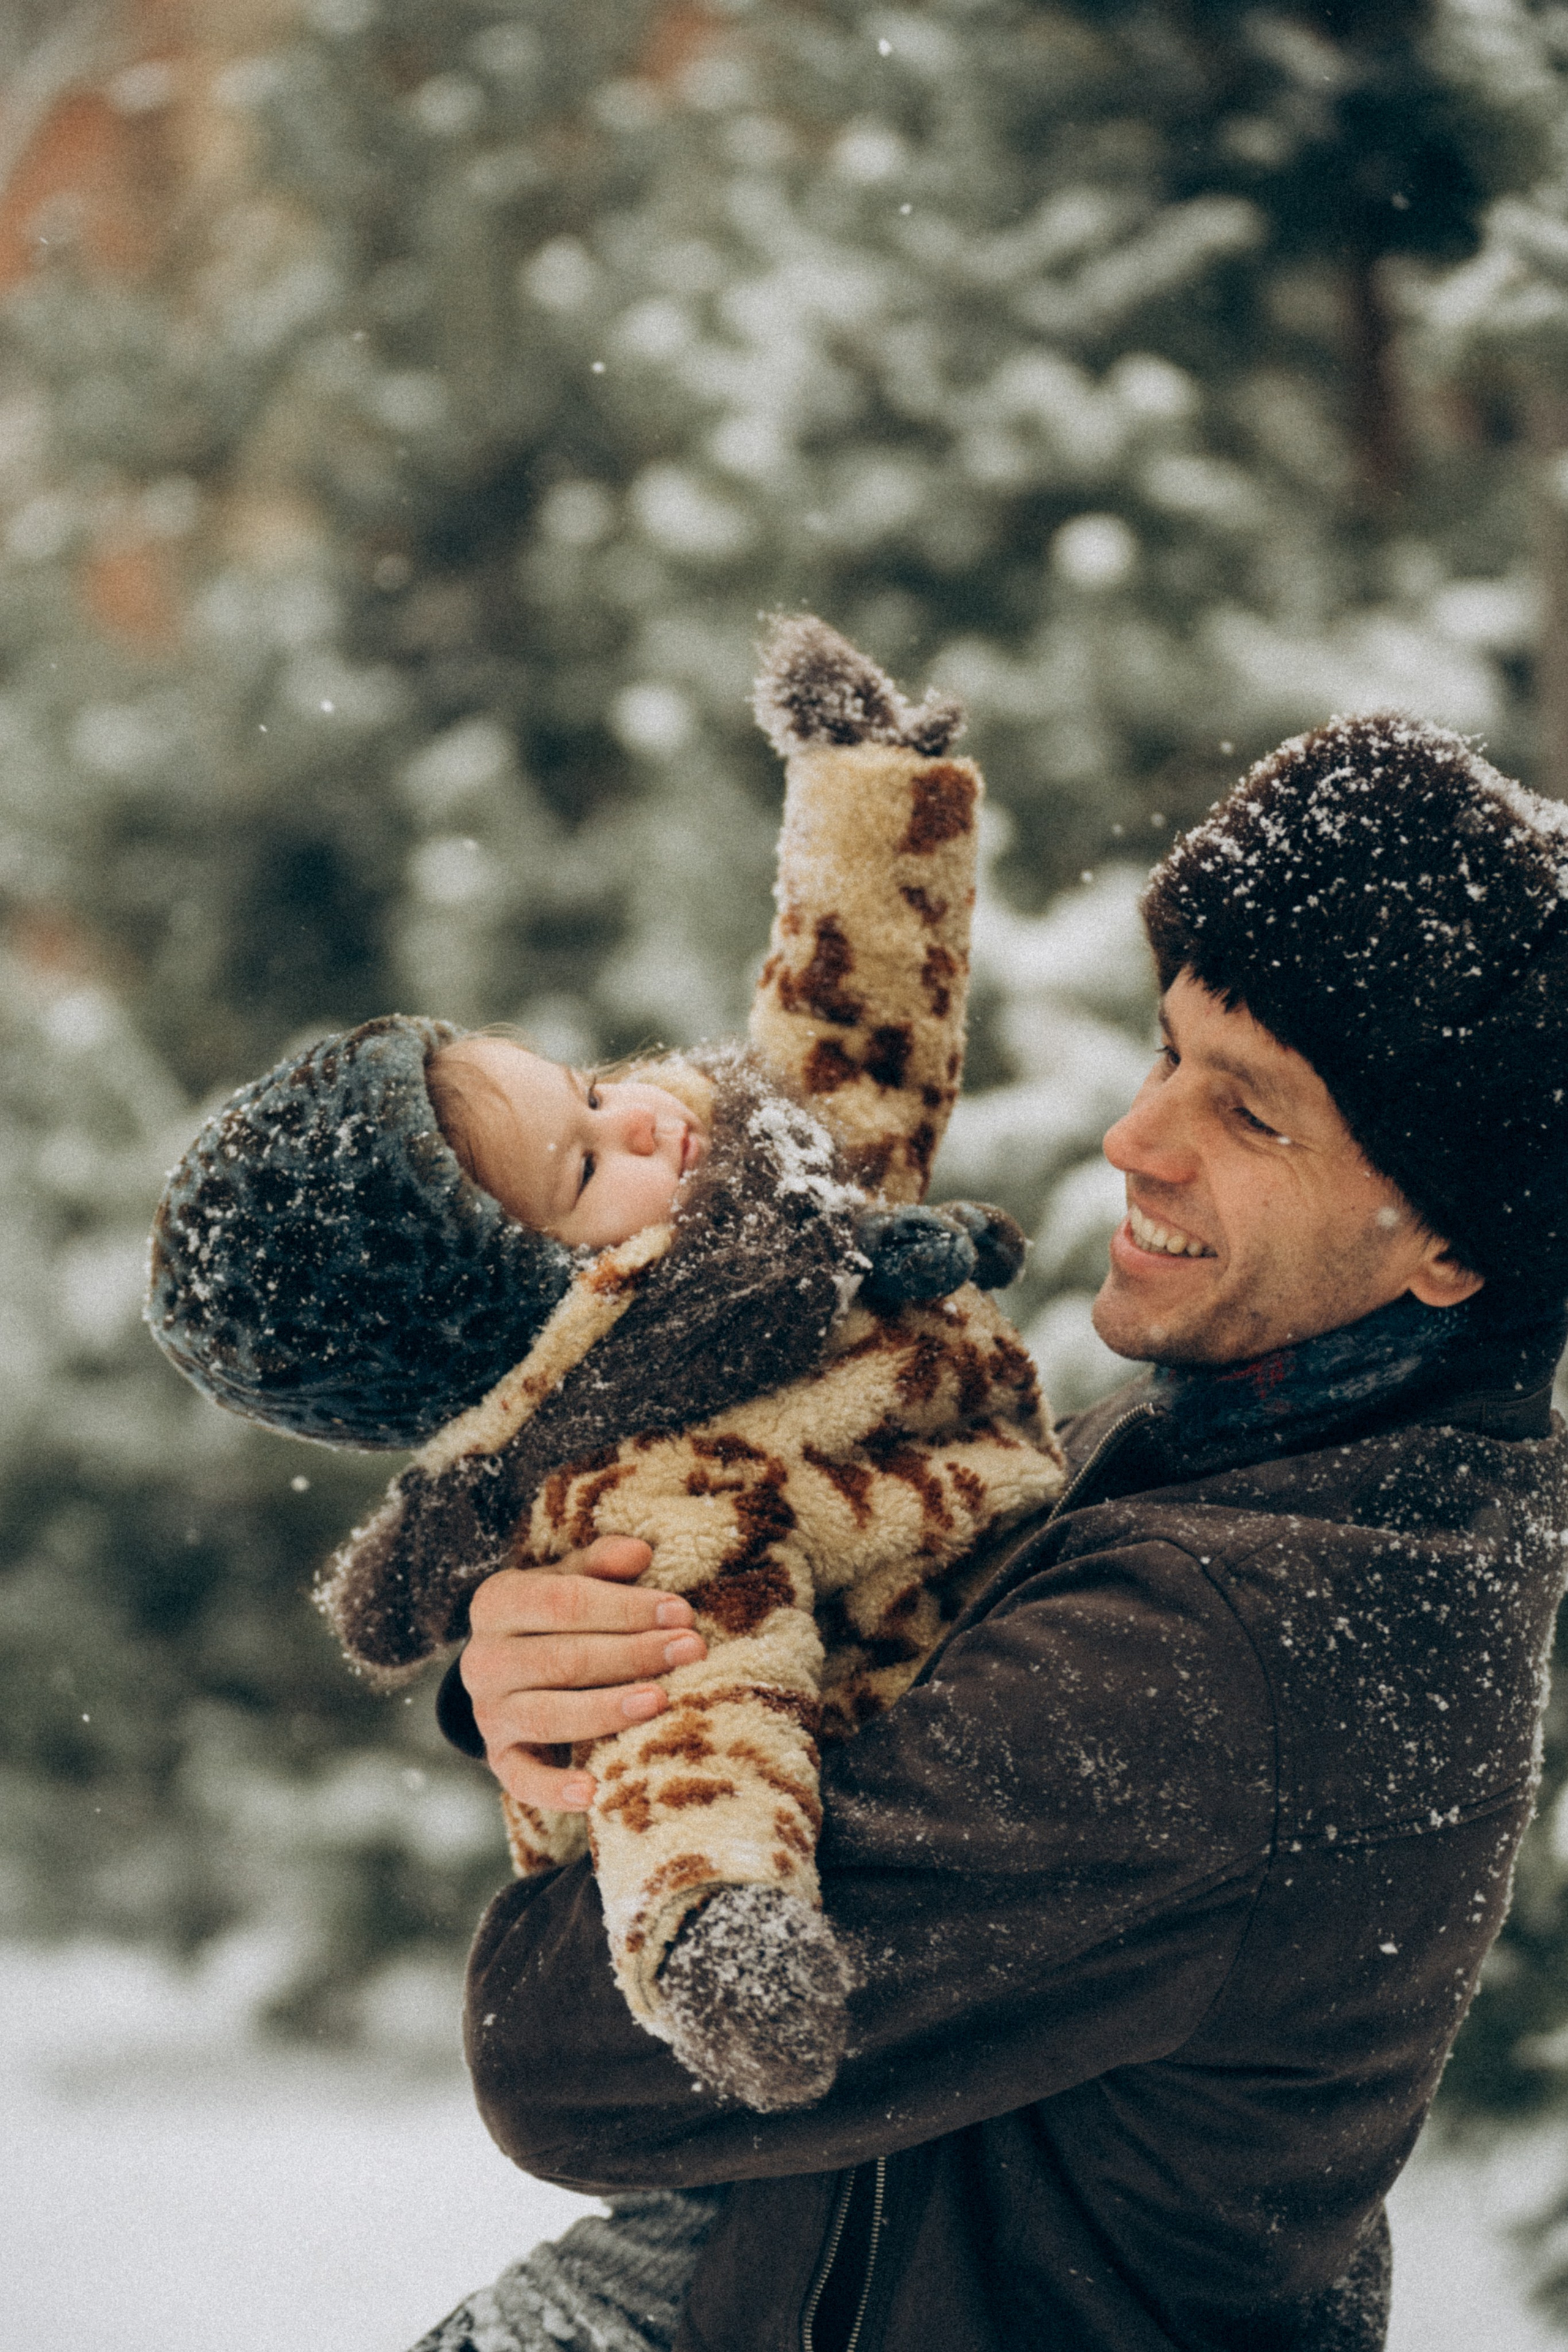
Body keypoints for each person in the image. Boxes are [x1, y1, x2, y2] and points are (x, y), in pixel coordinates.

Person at [433, 713, 1568, 2352]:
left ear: (1455, 1247)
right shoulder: (1276, 1486)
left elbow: (563, 2059)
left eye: (1251, 1116)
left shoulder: (1212, 1653)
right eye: (1166, 1048)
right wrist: (559, 1657)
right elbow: (835, 1618)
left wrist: (630, 1745)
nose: (1137, 1136)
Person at [145, 616, 1065, 2115]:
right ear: (537, 1322)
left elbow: (856, 1012)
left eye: (582, 1089)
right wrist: (719, 1920)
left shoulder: (763, 1190)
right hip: (911, 1729)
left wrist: (866, 786)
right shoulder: (642, 1487)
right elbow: (695, 1721)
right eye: (580, 1169)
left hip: (1019, 1589)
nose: (640, 1115)